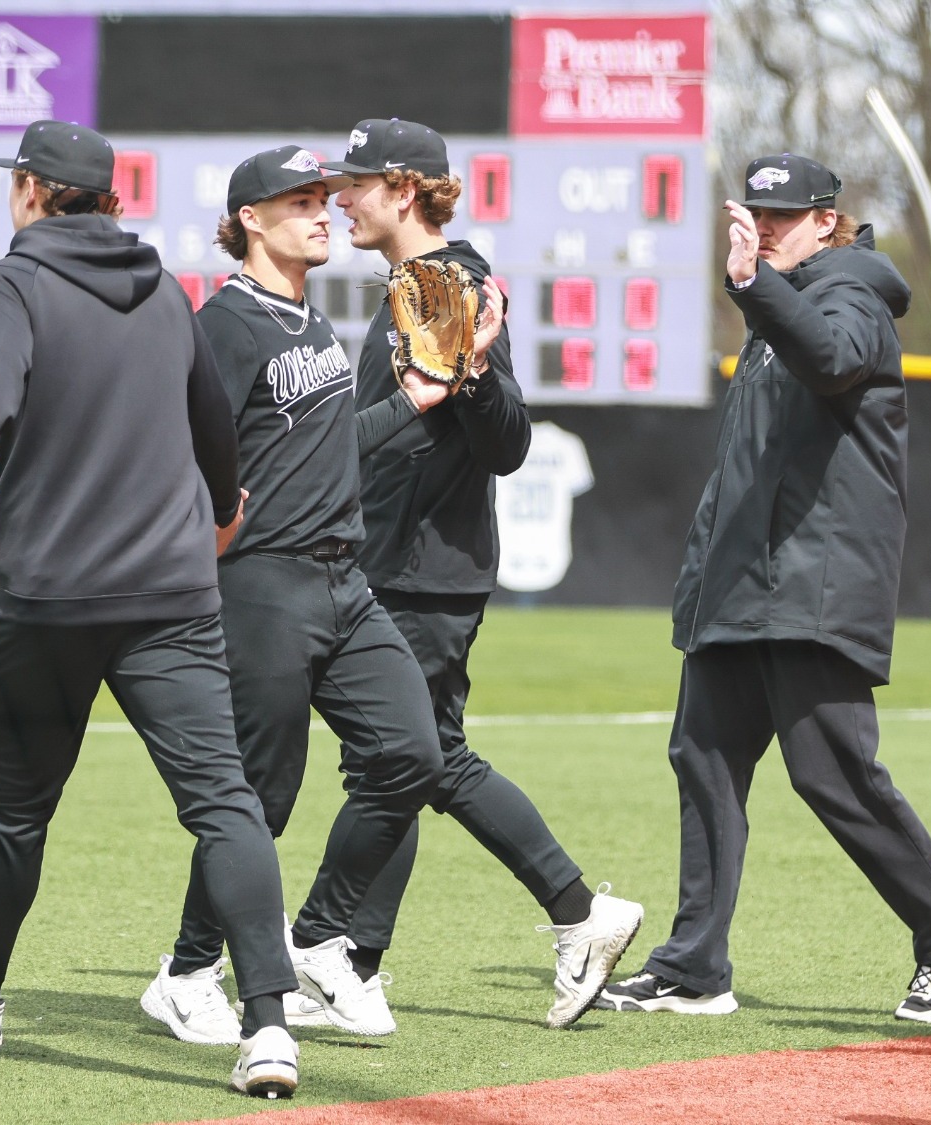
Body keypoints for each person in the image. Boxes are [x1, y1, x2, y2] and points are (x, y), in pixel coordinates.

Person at [0, 121, 303, 1098]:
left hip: (52, 597)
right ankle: (266, 1028)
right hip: (172, 593)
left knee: (15, 814)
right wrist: (222, 509)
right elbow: (211, 422)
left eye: (14, 180)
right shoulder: (168, 292)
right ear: (102, 199)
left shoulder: (9, 283)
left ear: (32, 193)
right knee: (224, 805)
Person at [600, 154, 931, 1023]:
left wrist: (751, 284)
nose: (770, 226)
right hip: (744, 585)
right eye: (760, 212)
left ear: (828, 221)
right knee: (702, 758)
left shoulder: (850, 293)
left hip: (814, 582)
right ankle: (694, 963)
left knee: (832, 772)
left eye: (788, 214)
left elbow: (831, 360)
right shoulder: (777, 304)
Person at [324, 118, 645, 1030]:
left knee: (410, 759)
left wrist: (469, 374)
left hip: (426, 567)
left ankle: (575, 912)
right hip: (403, 558)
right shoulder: (413, 280)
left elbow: (507, 443)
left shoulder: (448, 280)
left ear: (407, 188)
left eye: (358, 182)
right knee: (401, 761)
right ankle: (360, 959)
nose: (343, 196)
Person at [145, 144, 442, 1045]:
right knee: (258, 801)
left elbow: (327, 448)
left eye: (323, 196)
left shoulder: (314, 325)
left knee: (412, 754)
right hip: (262, 584)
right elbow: (180, 447)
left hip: (343, 583)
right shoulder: (225, 325)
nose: (323, 211)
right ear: (249, 220)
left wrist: (415, 400)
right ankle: (190, 969)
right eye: (299, 200)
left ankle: (316, 937)